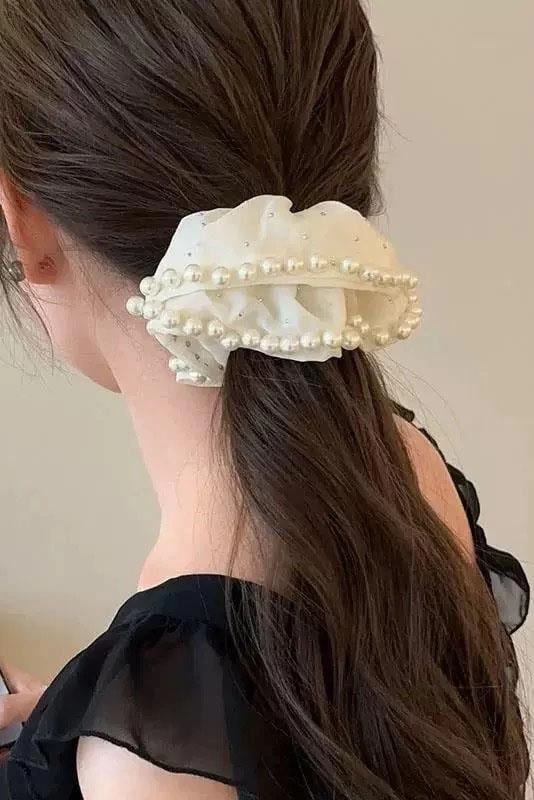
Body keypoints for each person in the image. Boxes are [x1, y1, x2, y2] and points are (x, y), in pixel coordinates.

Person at [0, 1, 529, 798]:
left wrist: (120, 752)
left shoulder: (144, 770)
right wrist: (82, 726)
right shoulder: (406, 464)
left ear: (22, 221)